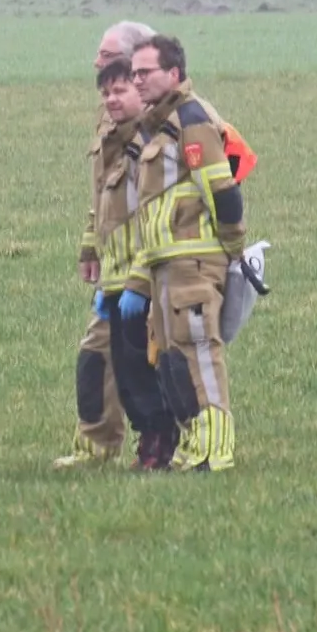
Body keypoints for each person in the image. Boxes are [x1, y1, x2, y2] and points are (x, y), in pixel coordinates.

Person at [122, 35, 245, 472]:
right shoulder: (155, 126)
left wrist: (231, 250)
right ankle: (193, 444)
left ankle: (215, 452)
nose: (136, 80)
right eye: (132, 73)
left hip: (194, 262)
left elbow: (223, 192)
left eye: (145, 72)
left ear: (173, 74)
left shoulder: (191, 120)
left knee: (199, 353)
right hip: (165, 265)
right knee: (174, 362)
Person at [56, 20, 157, 468]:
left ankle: (164, 448)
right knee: (96, 358)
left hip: (151, 272)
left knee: (153, 367)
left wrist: (142, 276)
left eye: (107, 56)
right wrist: (89, 248)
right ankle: (96, 448)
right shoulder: (108, 119)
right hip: (115, 270)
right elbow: (101, 196)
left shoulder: (159, 131)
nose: (96, 62)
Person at [85, 57, 176, 469]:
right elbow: (106, 215)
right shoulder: (110, 143)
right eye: (106, 93)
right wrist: (104, 276)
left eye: (120, 91)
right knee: (124, 372)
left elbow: (153, 219)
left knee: (145, 369)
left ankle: (164, 441)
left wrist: (139, 280)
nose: (111, 100)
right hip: (117, 278)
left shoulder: (148, 148)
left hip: (145, 280)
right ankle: (148, 440)